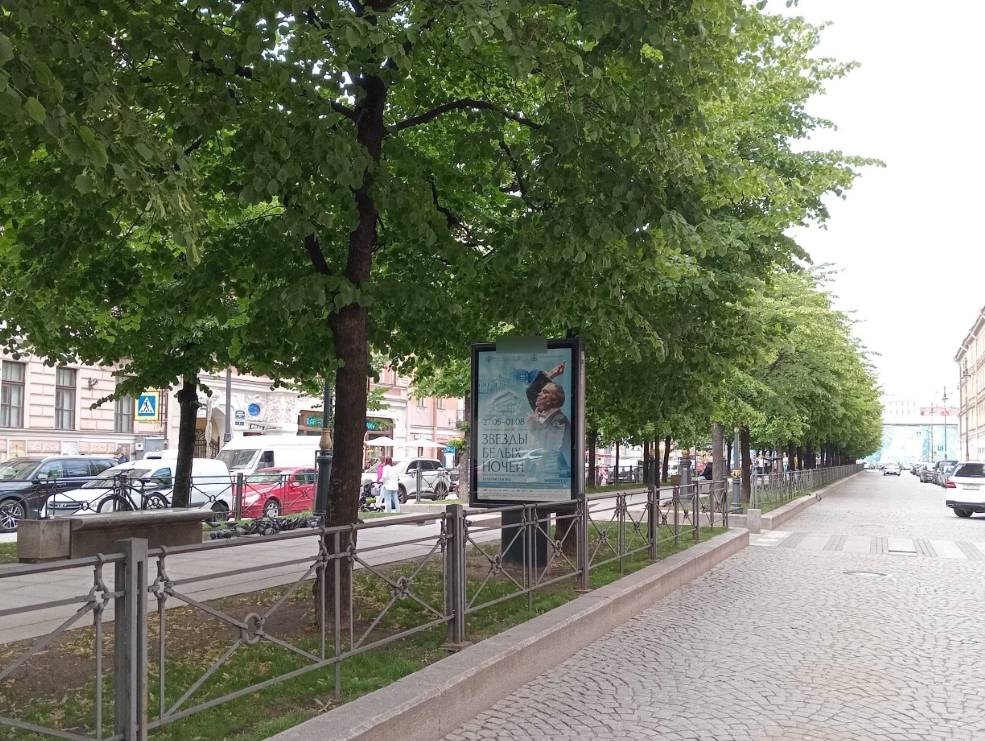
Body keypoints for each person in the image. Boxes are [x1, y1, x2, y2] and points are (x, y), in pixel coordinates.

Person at [525, 362, 572, 478]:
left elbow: (552, 444)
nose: (539, 394)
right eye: (541, 391)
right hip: (537, 472)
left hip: (550, 474)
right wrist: (552, 374)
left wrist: (534, 425)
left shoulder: (561, 420)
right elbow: (531, 391)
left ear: (554, 400)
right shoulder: (542, 412)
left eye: (545, 392)